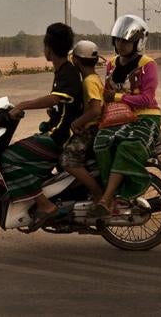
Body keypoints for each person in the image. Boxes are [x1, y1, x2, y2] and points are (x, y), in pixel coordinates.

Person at [0, 23, 83, 226]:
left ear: (49, 48)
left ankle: (44, 204)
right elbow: (61, 105)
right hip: (56, 133)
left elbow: (54, 99)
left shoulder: (67, 73)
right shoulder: (64, 70)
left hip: (59, 139)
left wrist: (22, 105)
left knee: (7, 159)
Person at [91, 14, 161, 218]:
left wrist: (118, 96)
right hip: (117, 118)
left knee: (126, 146)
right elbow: (106, 93)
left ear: (138, 43)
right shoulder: (111, 64)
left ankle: (107, 198)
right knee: (100, 144)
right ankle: (107, 193)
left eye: (126, 41)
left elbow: (147, 99)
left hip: (145, 118)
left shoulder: (148, 65)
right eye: (118, 40)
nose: (121, 45)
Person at [60, 40, 105, 203]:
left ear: (76, 60)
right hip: (93, 129)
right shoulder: (94, 78)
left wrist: (76, 123)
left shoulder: (88, 82)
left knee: (67, 161)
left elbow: (95, 110)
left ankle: (96, 191)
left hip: (90, 131)